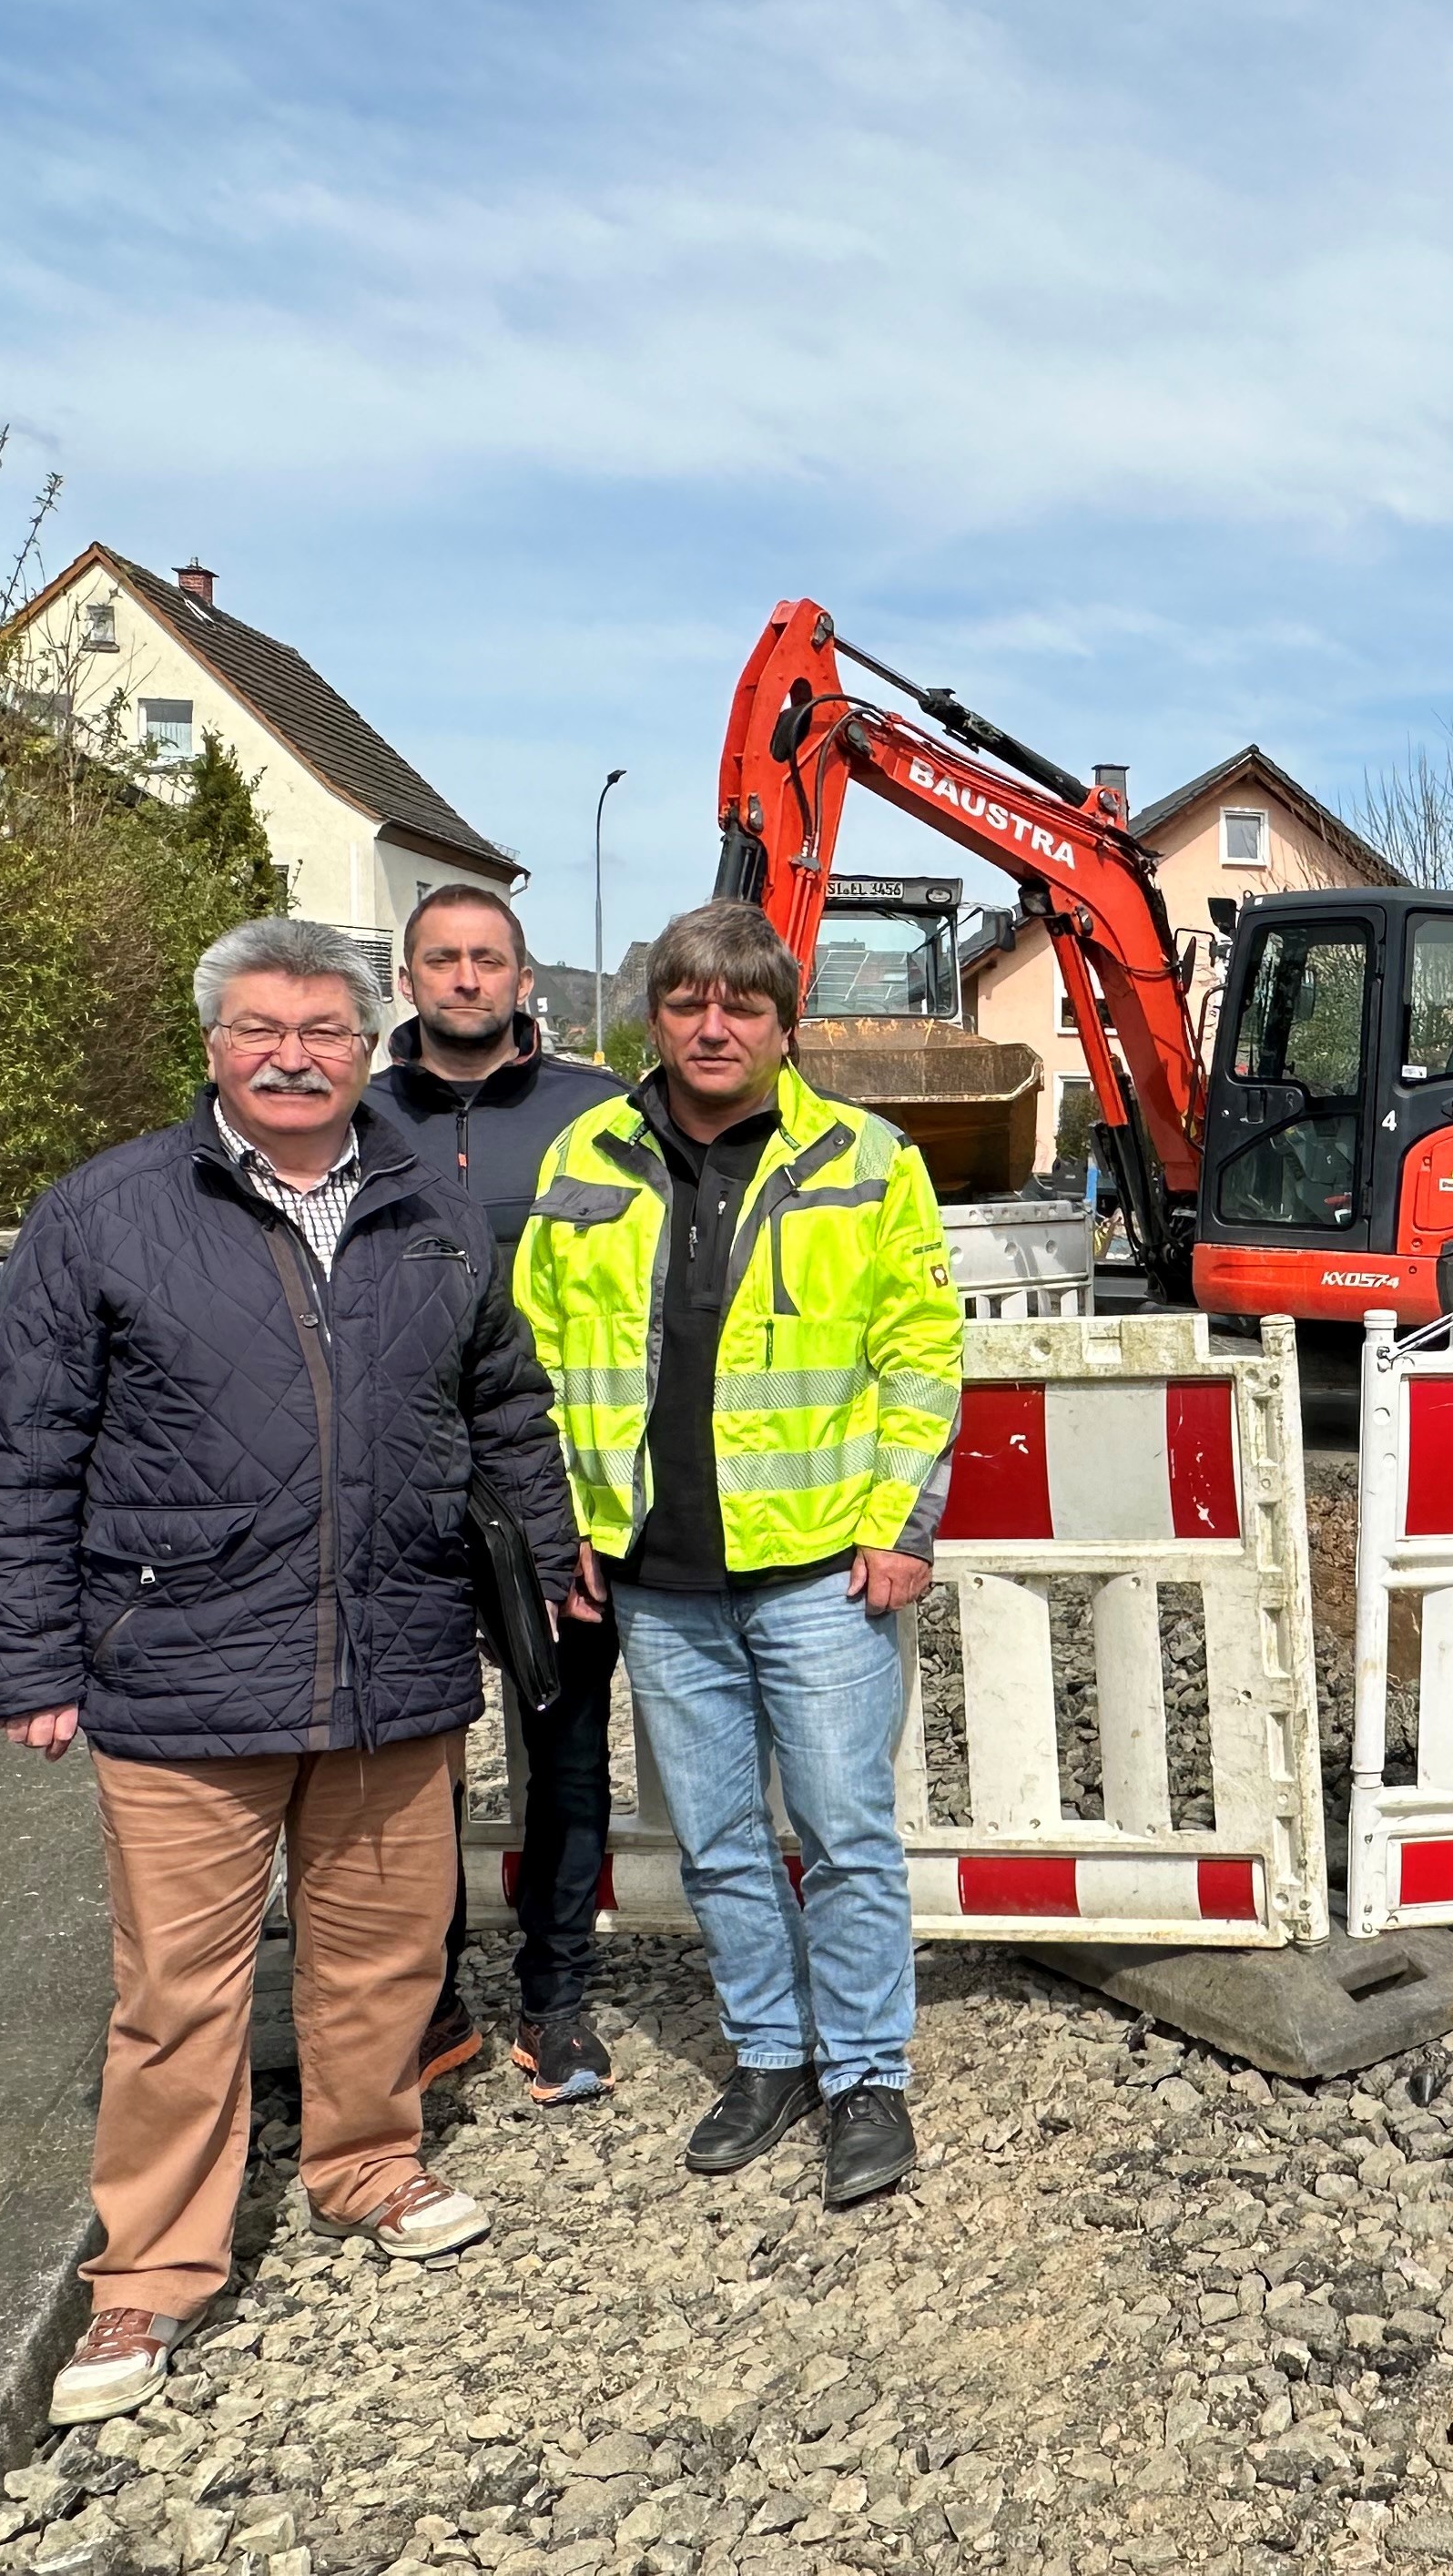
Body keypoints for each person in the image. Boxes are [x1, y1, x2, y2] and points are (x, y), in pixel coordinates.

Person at [0, 918, 574, 2428]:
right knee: (178, 1990)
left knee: (381, 1955)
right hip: (182, 1665)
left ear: (367, 1045)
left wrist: (547, 1553)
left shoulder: (428, 1205)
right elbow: (18, 1445)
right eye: (260, 1029)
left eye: (321, 1030)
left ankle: (366, 2163)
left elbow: (502, 1400)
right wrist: (27, 1656)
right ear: (214, 1046)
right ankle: (153, 2265)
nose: (292, 1056)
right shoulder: (105, 1210)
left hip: (393, 1653)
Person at [513, 901, 964, 2205]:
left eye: (742, 1006)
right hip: (657, 1576)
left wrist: (897, 1524)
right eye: (687, 1003)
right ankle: (771, 2054)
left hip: (820, 1568)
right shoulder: (588, 1155)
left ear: (783, 1026)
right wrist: (565, 1524)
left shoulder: (866, 1160)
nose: (714, 1027)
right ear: (653, 1019)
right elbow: (537, 1358)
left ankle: (864, 2074)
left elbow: (921, 1355)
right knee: (715, 1840)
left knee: (843, 1833)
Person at [377, 883, 632, 2103]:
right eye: (443, 959)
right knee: (406, 1765)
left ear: (525, 978)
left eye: (488, 959)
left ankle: (556, 2000)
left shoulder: (601, 1114)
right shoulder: (355, 1117)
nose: (466, 978)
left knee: (565, 1750)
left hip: (559, 1486)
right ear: (407, 979)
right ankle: (428, 2001)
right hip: (403, 1495)